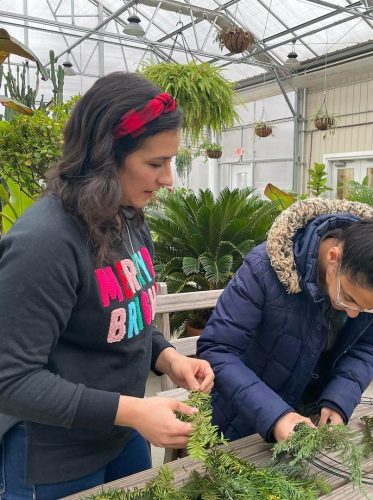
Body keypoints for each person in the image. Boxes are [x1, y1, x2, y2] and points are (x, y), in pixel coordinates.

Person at [0, 72, 214, 499]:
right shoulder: (45, 241)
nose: (168, 178)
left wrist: (167, 357)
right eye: (155, 164)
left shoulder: (129, 217)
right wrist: (135, 410)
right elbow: (11, 380)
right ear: (104, 157)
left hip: (120, 434)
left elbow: (127, 312)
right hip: (56, 456)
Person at [197, 199, 373, 443]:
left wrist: (339, 399)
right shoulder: (263, 269)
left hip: (311, 420)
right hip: (241, 421)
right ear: (333, 257)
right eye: (348, 298)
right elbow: (219, 351)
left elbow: (368, 347)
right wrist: (276, 415)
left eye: (366, 308)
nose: (353, 313)